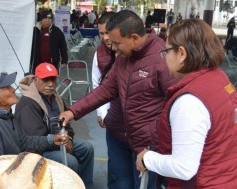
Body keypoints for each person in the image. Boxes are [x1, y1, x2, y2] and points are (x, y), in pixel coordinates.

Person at [59, 10, 177, 189]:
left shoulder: (162, 59)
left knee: (143, 185)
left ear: (135, 38)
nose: (112, 48)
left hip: (147, 144)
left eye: (116, 43)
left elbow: (174, 105)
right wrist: (73, 111)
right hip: (119, 134)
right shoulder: (124, 57)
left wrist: (156, 137)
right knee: (119, 184)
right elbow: (105, 89)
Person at [136, 19, 237, 188]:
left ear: (181, 54)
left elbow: (183, 167)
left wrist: (146, 158)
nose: (165, 58)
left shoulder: (189, 101)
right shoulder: (220, 78)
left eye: (166, 51)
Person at [15, 63, 94, 189]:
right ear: (35, 80)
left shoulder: (55, 97)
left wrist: (70, 138)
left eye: (53, 79)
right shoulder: (28, 103)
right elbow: (33, 141)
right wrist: (58, 141)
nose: (51, 84)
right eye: (45, 80)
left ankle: (85, 186)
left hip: (58, 140)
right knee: (70, 161)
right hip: (39, 149)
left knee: (87, 148)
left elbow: (66, 123)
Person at [0, 71, 67, 158]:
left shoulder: (6, 115)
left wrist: (51, 140)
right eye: (7, 87)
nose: (13, 89)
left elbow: (23, 141)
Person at [92, 11, 133, 188]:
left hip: (137, 122)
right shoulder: (99, 54)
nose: (105, 38)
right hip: (114, 119)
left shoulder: (133, 53)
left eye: (108, 32)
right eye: (101, 33)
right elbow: (98, 86)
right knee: (117, 169)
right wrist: (102, 112)